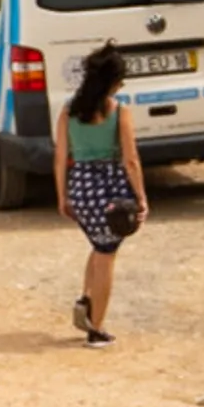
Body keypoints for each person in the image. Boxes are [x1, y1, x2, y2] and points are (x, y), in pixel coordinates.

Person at [57, 44, 149, 344]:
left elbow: (60, 157)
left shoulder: (68, 111)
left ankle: (85, 300)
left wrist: (62, 196)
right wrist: (141, 197)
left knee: (98, 245)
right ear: (112, 83)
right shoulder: (120, 112)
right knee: (107, 254)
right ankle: (96, 328)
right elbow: (130, 159)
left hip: (80, 186)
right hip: (111, 188)